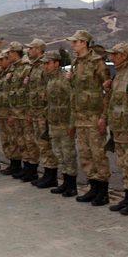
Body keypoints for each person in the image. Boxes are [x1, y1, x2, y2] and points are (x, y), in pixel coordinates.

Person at [66, 30, 111, 206]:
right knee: (85, 155)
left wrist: (103, 117)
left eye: (75, 42)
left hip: (94, 117)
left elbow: (108, 90)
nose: (73, 45)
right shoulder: (75, 62)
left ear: (84, 42)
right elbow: (76, 91)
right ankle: (93, 188)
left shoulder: (97, 62)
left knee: (98, 154)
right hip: (80, 117)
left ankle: (103, 192)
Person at [41, 50, 78, 197]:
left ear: (57, 63)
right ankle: (65, 183)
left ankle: (72, 185)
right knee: (59, 154)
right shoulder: (50, 80)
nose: (45, 66)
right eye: (44, 63)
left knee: (68, 154)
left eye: (48, 63)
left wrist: (72, 124)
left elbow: (73, 102)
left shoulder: (65, 79)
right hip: (54, 123)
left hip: (64, 124)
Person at [104, 43, 128, 214]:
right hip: (119, 128)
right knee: (124, 164)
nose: (112, 57)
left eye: (115, 54)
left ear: (124, 55)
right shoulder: (119, 74)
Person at [25, 39, 59, 188]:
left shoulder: (43, 67)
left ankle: (51, 175)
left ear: (39, 49)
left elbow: (49, 90)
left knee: (46, 144)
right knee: (41, 144)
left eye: (31, 48)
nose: (29, 51)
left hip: (44, 112)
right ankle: (46, 174)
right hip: (35, 111)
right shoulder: (33, 67)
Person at [6, 42, 35, 181]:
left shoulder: (26, 68)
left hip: (24, 112)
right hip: (16, 111)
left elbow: (29, 92)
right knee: (21, 141)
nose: (8, 55)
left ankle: (31, 170)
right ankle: (26, 168)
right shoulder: (14, 68)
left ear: (15, 52)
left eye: (9, 53)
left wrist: (29, 112)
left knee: (29, 141)